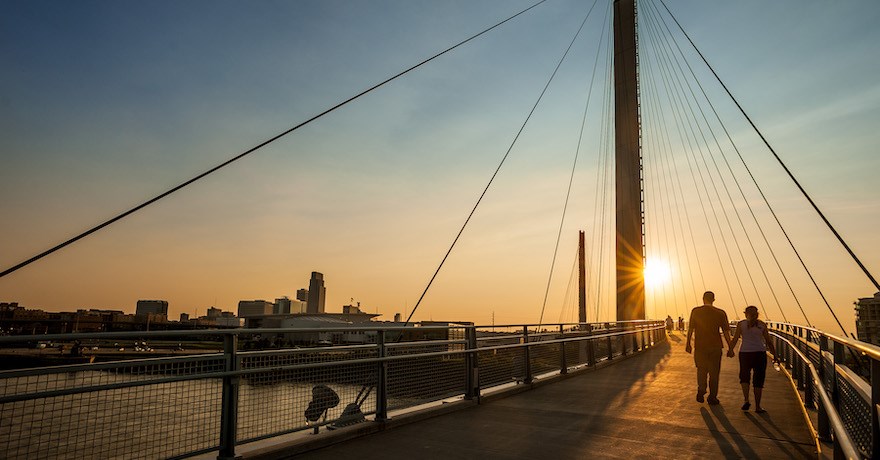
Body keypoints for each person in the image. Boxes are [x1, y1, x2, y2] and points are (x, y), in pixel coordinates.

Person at [685, 291, 734, 405]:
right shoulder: (720, 313)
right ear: (713, 300)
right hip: (716, 347)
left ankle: (701, 388)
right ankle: (712, 397)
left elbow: (690, 329)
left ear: (703, 299)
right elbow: (726, 332)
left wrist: (688, 343)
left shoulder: (696, 311)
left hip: (700, 346)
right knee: (714, 373)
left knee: (701, 369)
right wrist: (730, 348)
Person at [730, 305, 777, 413]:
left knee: (744, 377)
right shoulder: (762, 325)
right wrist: (775, 356)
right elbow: (768, 341)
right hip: (760, 353)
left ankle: (746, 400)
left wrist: (730, 350)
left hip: (745, 353)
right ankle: (758, 406)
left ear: (746, 314)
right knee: (758, 380)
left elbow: (736, 338)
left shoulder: (741, 324)